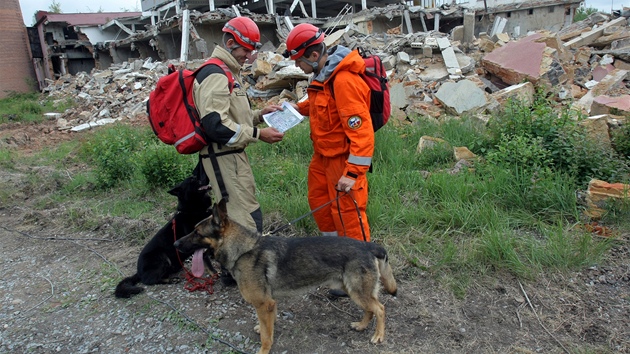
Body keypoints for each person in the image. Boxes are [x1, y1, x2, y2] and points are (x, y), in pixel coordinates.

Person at [192, 17, 284, 247]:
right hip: (223, 159)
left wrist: (260, 115)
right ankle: (237, 276)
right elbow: (215, 125)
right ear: (231, 42)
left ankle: (241, 272)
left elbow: (230, 117)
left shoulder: (228, 72)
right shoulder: (215, 74)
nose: (250, 56)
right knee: (242, 220)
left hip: (232, 157)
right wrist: (258, 134)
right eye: (247, 49)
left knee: (247, 213)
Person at [284, 24, 374, 244]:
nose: (297, 66)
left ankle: (361, 267)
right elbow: (323, 106)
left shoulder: (343, 81)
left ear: (314, 55)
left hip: (342, 161)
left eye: (299, 61)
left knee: (348, 215)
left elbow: (362, 133)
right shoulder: (324, 75)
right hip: (322, 157)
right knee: (320, 203)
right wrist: (297, 109)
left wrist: (352, 173)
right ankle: (335, 256)